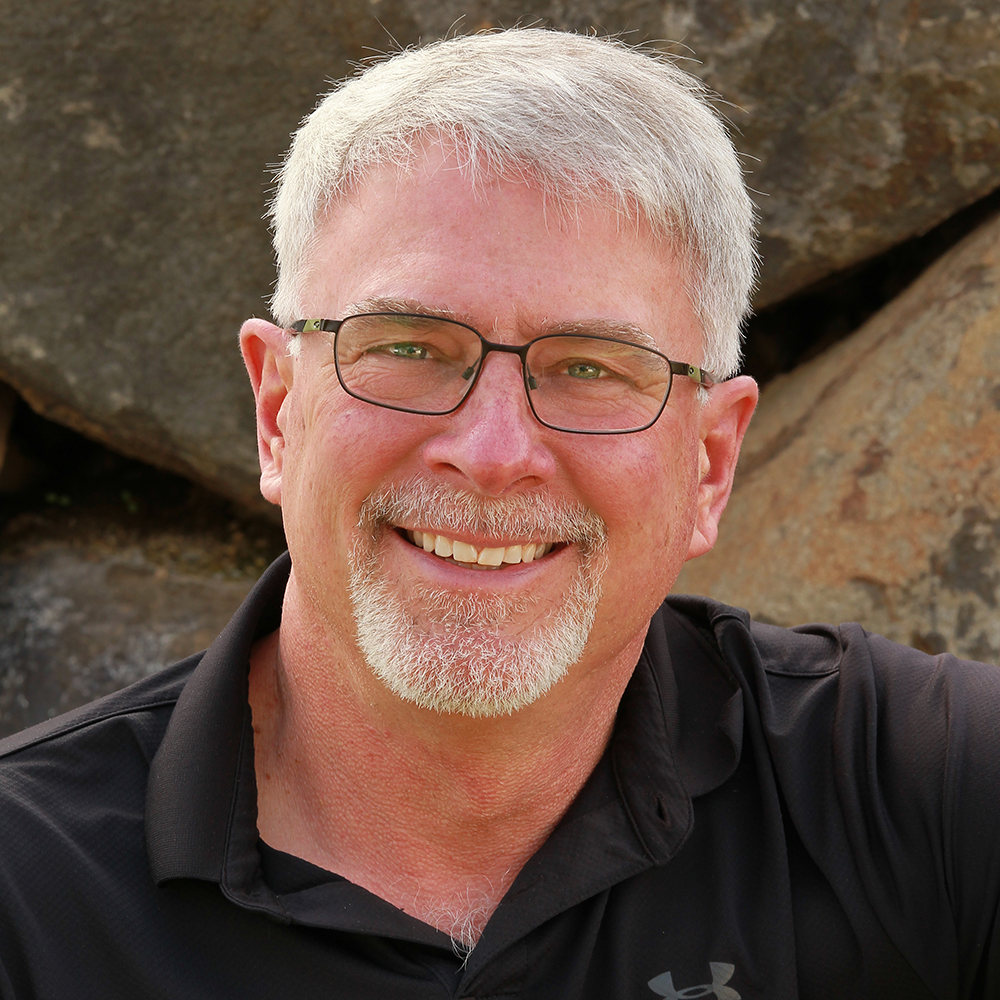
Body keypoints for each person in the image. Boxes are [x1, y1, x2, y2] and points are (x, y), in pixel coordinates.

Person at [0, 28, 998, 1000]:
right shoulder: (27, 888)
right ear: (276, 412)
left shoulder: (918, 791)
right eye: (409, 347)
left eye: (590, 369)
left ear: (708, 461)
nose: (490, 453)